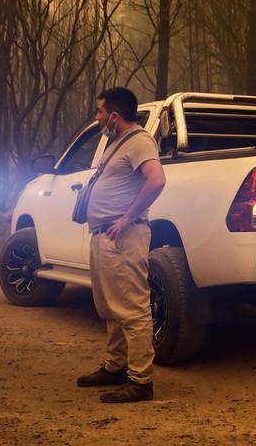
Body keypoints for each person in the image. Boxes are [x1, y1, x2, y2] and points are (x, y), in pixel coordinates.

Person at [76, 87, 166, 404]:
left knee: (133, 308)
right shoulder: (119, 143)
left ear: (114, 116)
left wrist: (127, 218)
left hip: (123, 237)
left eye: (100, 112)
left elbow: (156, 180)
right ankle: (116, 367)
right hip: (105, 235)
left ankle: (141, 381)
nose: (98, 117)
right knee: (113, 307)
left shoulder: (140, 141)